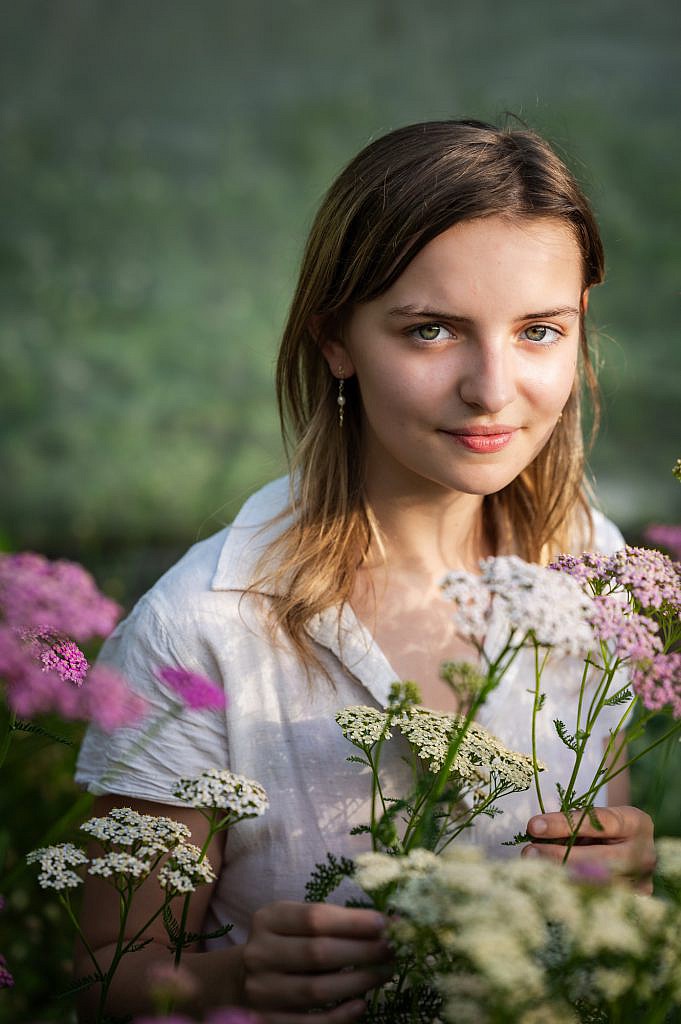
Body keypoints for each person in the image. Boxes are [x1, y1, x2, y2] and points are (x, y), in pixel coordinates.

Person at [74, 118, 654, 1022]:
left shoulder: (592, 562)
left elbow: (590, 852)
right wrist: (231, 984)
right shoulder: (202, 627)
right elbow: (105, 972)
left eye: (539, 331)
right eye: (431, 331)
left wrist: (612, 878)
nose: (493, 387)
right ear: (335, 341)